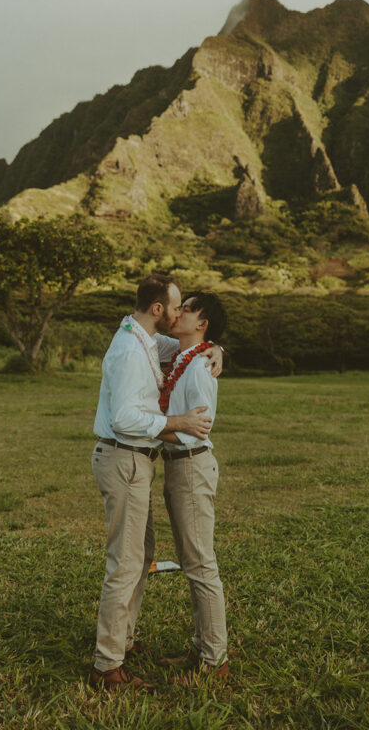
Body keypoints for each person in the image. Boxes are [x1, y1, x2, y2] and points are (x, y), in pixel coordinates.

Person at [90, 273, 223, 691]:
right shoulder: (132, 349)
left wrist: (218, 348)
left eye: (188, 307)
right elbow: (124, 419)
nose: (180, 311)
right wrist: (177, 422)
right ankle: (109, 664)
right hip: (126, 458)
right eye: (176, 305)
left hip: (152, 462)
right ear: (158, 309)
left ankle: (127, 642)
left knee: (147, 555)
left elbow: (194, 348)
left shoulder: (148, 340)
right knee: (128, 562)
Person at [159, 291, 229, 681]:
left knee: (201, 564)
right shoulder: (182, 357)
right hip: (177, 468)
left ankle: (213, 659)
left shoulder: (201, 366)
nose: (178, 311)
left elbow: (198, 429)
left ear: (201, 324)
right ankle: (203, 648)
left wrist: (147, 430)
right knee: (192, 562)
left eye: (187, 308)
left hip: (191, 467)